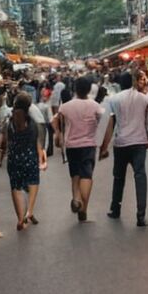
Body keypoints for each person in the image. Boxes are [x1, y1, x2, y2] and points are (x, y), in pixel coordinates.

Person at [100, 70, 148, 227]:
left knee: (118, 177)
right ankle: (141, 216)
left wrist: (103, 146)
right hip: (139, 143)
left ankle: (115, 209)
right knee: (140, 177)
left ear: (120, 84)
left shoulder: (114, 99)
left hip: (121, 143)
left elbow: (108, 122)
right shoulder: (146, 98)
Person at [56, 77, 104, 222]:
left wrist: (58, 135)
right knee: (86, 176)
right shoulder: (95, 106)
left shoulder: (65, 106)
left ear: (75, 88)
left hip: (71, 145)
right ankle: (83, 208)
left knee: (75, 175)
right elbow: (104, 121)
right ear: (89, 89)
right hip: (88, 145)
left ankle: (76, 198)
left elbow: (57, 121)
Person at [0, 93, 46, 231]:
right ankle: (29, 211)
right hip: (30, 158)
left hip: (14, 159)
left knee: (16, 188)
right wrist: (42, 157)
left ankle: (20, 219)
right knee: (33, 182)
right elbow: (38, 143)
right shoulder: (32, 124)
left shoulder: (9, 123)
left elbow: (5, 141)